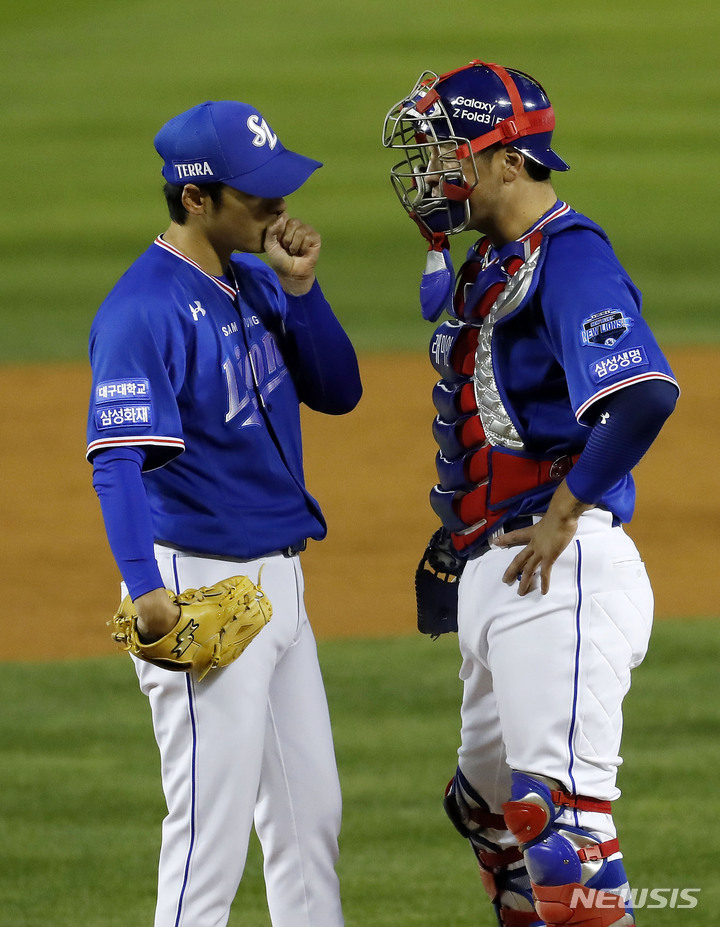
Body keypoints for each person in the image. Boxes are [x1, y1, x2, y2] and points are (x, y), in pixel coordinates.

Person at [382, 61, 678, 927]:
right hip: (499, 572)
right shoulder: (491, 261)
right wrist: (457, 535)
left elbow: (644, 394)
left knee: (567, 851)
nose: (434, 175)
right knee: (487, 815)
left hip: (562, 568)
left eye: (450, 154)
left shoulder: (570, 255)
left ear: (510, 160)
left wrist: (564, 507)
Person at [86, 99, 362, 927]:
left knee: (310, 819)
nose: (279, 209)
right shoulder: (142, 310)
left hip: (280, 583)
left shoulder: (251, 279)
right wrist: (144, 585)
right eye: (258, 196)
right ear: (196, 198)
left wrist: (302, 291)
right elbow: (116, 463)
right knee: (210, 839)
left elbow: (338, 391)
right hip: (201, 582)